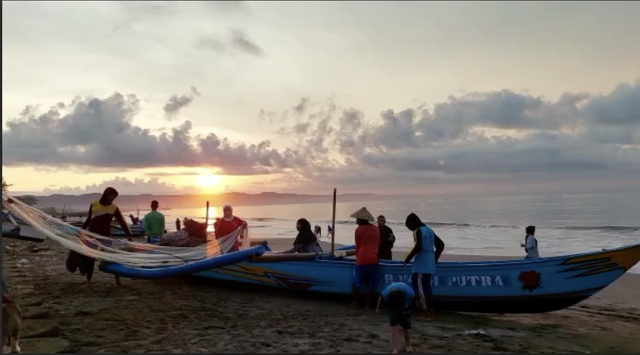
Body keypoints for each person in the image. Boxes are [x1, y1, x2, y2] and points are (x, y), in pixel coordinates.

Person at [65, 187, 132, 287]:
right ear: (106, 194)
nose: (112, 198)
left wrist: (128, 234)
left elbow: (122, 221)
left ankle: (117, 280)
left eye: (114, 197)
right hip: (92, 236)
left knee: (111, 258)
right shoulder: (94, 204)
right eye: (111, 196)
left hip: (106, 237)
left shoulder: (114, 208)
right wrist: (81, 230)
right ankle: (89, 281)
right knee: (90, 259)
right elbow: (88, 220)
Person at [403, 212, 445, 319]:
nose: (410, 230)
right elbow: (441, 245)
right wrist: (434, 258)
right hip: (429, 263)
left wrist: (407, 259)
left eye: (409, 227)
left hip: (421, 264)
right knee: (426, 287)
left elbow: (418, 247)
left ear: (412, 224)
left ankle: (427, 313)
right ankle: (429, 311)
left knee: (420, 287)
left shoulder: (418, 230)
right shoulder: (429, 230)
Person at [350, 207, 380, 309]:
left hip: (362, 258)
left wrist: (357, 257)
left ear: (361, 220)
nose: (356, 221)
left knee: (356, 282)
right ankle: (368, 304)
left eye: (357, 219)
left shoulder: (358, 230)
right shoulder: (376, 229)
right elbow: (378, 244)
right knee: (370, 284)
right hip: (374, 258)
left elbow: (358, 246)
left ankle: (355, 303)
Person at [377, 282, 416, 354]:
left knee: (406, 324)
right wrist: (378, 308)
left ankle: (408, 345)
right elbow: (380, 298)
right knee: (394, 324)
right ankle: (395, 348)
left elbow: (413, 305)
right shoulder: (386, 293)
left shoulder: (410, 294)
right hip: (392, 305)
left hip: (404, 304)